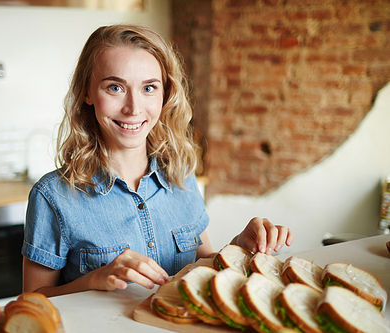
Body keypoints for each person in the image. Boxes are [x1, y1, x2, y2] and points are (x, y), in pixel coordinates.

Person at [22, 24, 293, 297]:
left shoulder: (181, 175)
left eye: (149, 88)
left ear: (165, 94)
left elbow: (202, 264)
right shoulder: (52, 196)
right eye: (115, 87)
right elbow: (32, 299)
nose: (133, 108)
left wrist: (240, 247)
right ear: (87, 93)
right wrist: (94, 279)